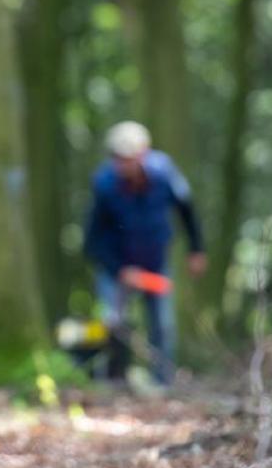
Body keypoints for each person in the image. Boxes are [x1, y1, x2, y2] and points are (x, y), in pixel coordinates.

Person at [84, 121, 206, 387]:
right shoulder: (104, 184)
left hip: (155, 264)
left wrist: (196, 249)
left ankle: (162, 382)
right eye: (116, 158)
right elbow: (93, 239)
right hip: (117, 268)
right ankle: (115, 381)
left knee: (162, 324)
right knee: (113, 325)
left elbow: (187, 210)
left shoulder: (165, 174)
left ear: (143, 154)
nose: (121, 164)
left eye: (127, 158)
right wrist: (120, 270)